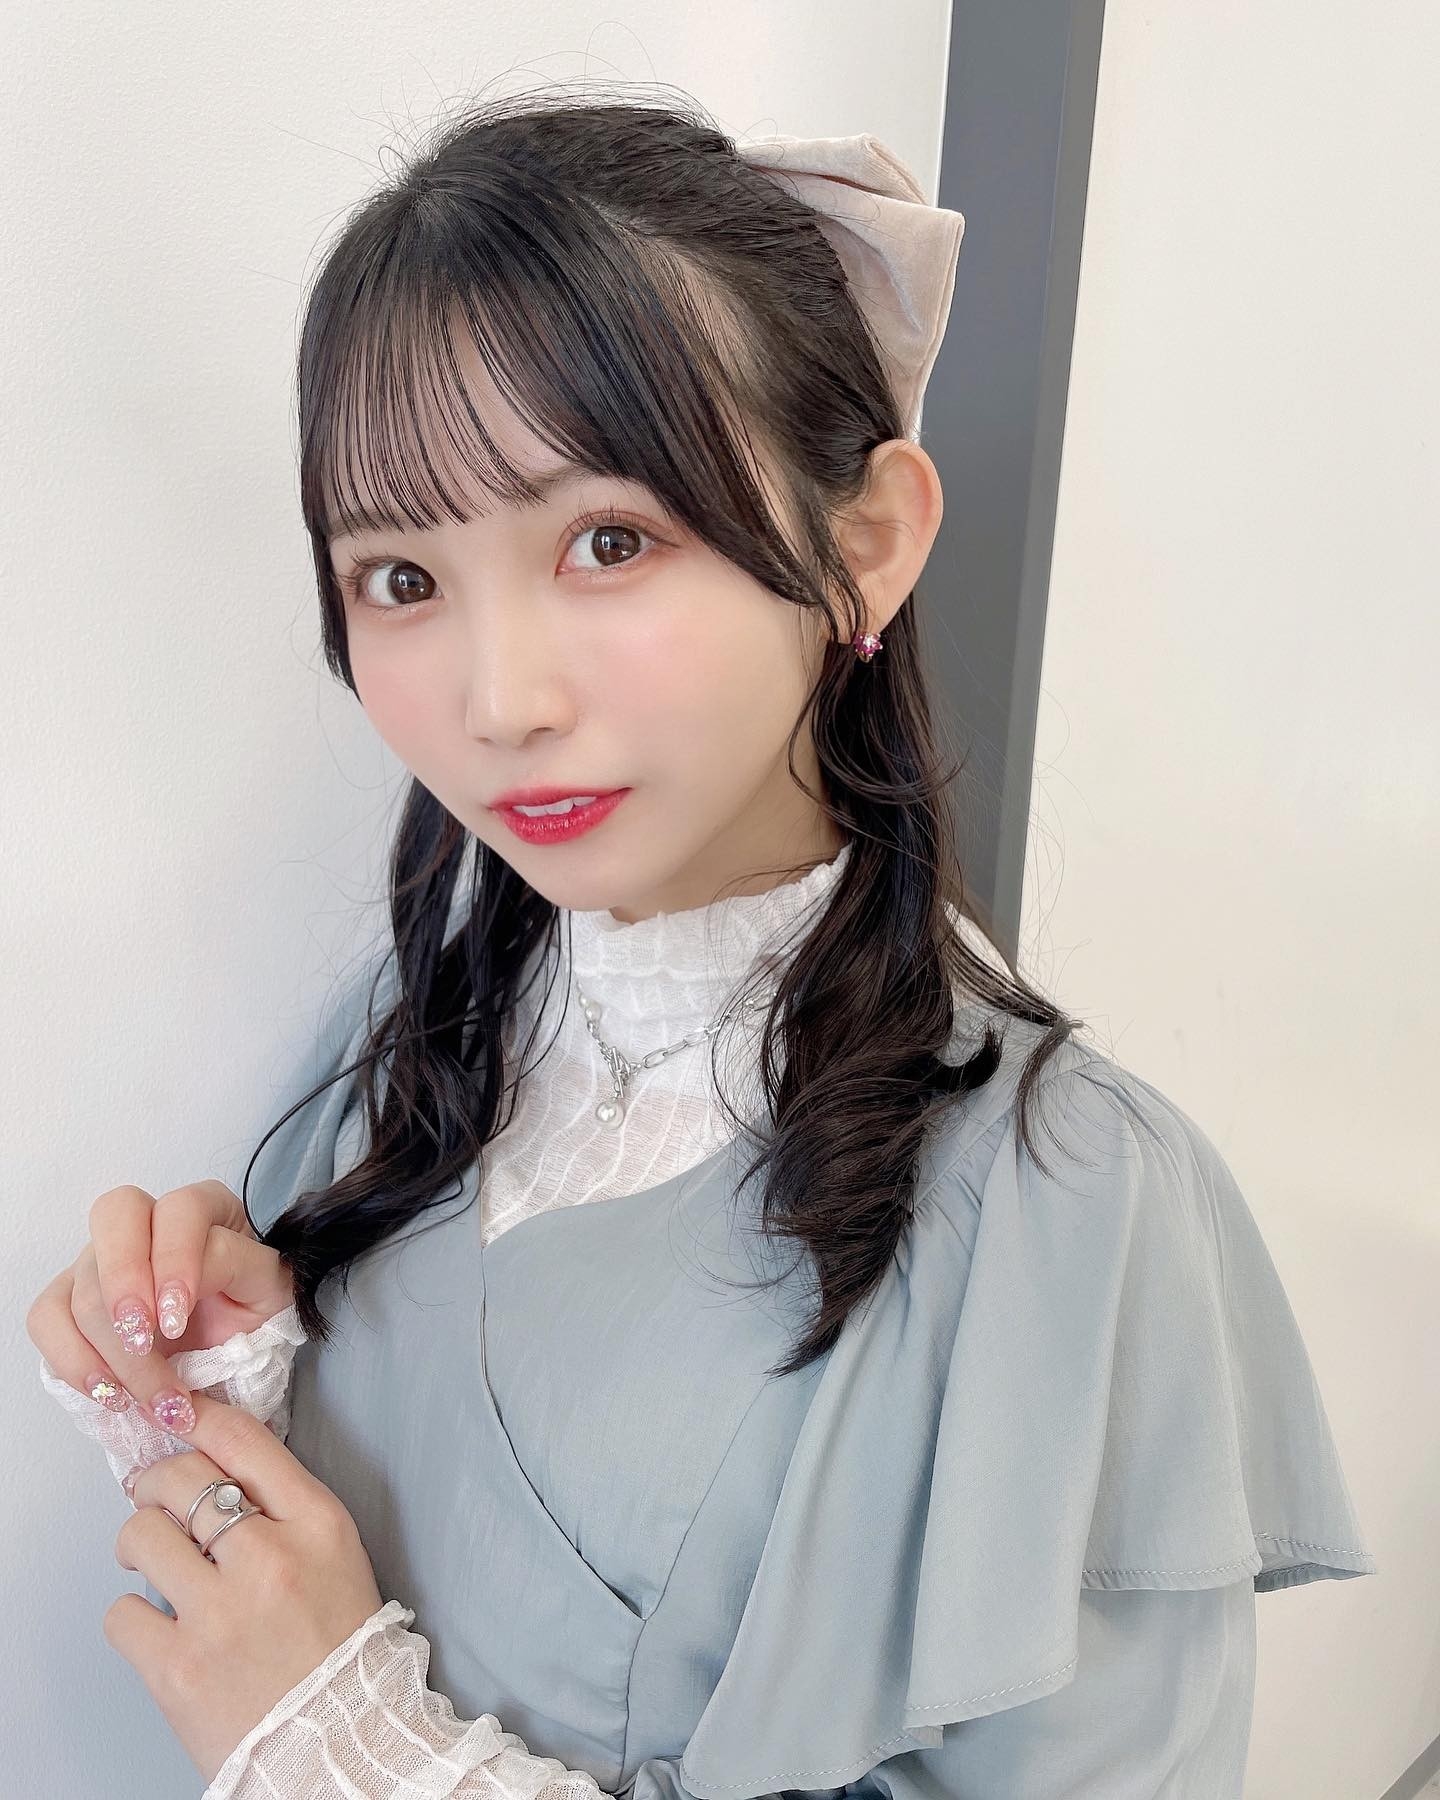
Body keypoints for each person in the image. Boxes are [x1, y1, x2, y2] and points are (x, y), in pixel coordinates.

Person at [34, 88, 1376, 1798]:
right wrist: (227, 1381)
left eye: (611, 542)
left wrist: (354, 1752)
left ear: (864, 545)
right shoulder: (409, 1045)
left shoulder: (1073, 1202)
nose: (501, 701)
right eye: (401, 579)